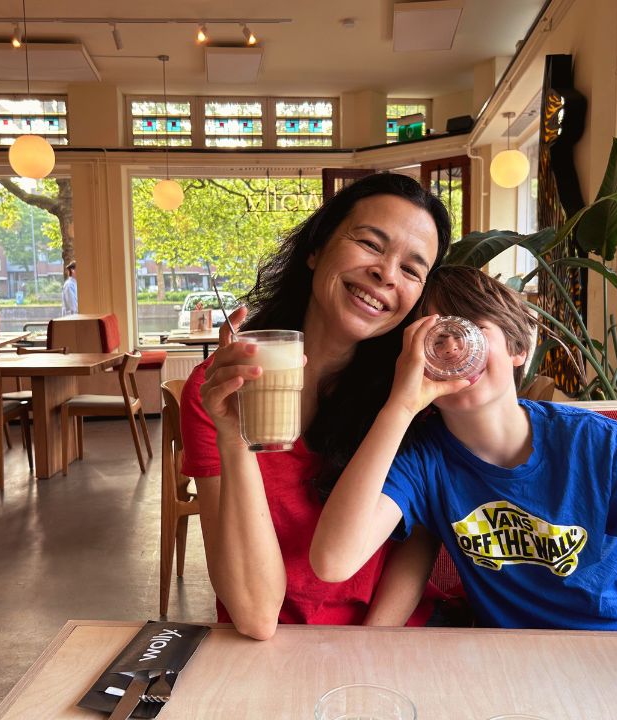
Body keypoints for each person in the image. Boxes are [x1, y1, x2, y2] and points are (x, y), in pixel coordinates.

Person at [310, 265, 617, 633]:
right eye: (434, 338)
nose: (454, 348)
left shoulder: (593, 444)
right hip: (536, 660)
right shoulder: (424, 459)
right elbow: (334, 561)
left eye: (472, 329)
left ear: (517, 348)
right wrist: (400, 405)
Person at [181, 173, 453, 640]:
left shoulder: (414, 393)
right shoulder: (220, 390)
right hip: (271, 647)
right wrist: (234, 438)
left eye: (411, 269)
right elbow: (255, 614)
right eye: (370, 243)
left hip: (392, 639)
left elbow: (419, 540)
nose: (387, 274)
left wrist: (371, 645)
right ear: (315, 249)